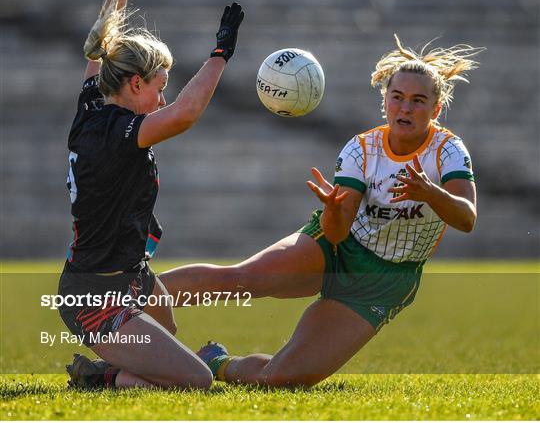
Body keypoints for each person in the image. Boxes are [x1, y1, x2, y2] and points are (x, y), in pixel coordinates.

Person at [158, 35, 482, 387]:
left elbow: (466, 218)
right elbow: (338, 232)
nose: (406, 108)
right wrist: (332, 210)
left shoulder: (447, 149)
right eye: (397, 97)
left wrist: (431, 193)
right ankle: (120, 303)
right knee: (241, 279)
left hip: (384, 281)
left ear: (435, 110)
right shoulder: (362, 149)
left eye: (418, 101)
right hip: (335, 246)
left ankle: (216, 361)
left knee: (279, 378)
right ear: (385, 101)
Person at [58, 0, 244, 390]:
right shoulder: (120, 132)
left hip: (129, 274)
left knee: (170, 335)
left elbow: (99, 46)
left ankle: (122, 363)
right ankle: (101, 376)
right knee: (194, 380)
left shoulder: (93, 104)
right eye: (159, 88)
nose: (162, 99)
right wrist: (221, 53)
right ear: (136, 84)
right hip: (94, 292)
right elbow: (185, 114)